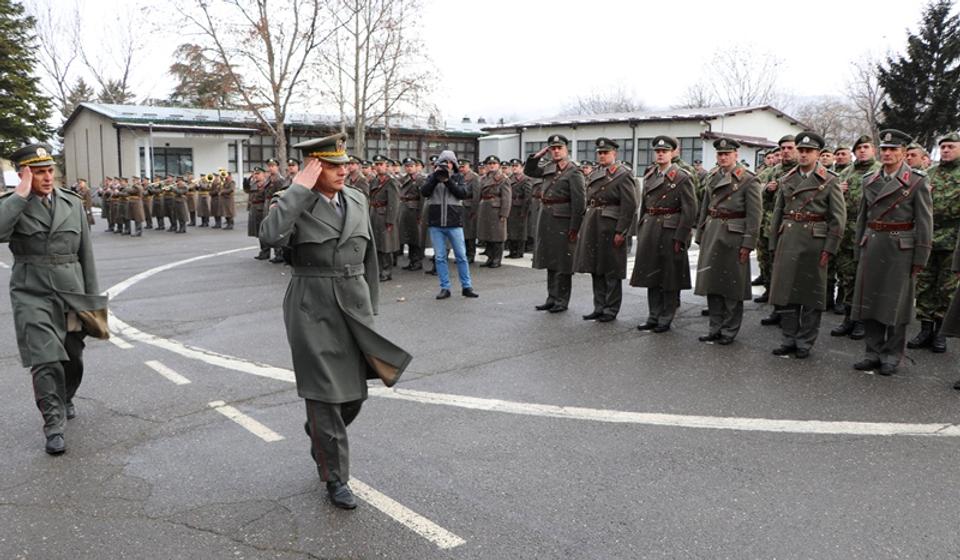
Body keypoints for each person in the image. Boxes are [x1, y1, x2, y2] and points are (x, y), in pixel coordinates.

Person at [259, 133, 412, 510]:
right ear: (315, 167)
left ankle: (319, 431)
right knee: (326, 396)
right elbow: (270, 236)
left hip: (354, 304)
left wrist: (371, 310)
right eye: (333, 164)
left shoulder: (357, 198)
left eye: (345, 163)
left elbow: (370, 259)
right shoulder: (292, 201)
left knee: (354, 395)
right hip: (313, 305)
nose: (344, 169)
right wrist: (297, 189)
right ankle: (335, 478)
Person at [0, 143, 109, 455]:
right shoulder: (13, 204)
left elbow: (86, 255)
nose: (47, 177)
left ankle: (66, 397)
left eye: (49, 170)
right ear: (24, 174)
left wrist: (92, 303)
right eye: (37, 172)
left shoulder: (72, 203)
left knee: (72, 357)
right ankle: (53, 424)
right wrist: (20, 193)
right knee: (46, 359)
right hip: (31, 293)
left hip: (71, 293)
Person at [851, 129, 933, 376]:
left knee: (896, 305)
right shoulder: (868, 179)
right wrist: (858, 247)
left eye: (893, 149)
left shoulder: (917, 181)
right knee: (870, 301)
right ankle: (872, 352)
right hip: (873, 244)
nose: (887, 153)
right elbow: (862, 218)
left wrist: (920, 257)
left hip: (900, 249)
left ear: (904, 153)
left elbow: (925, 222)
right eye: (884, 149)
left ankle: (891, 355)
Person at [766, 132, 846, 358]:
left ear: (818, 154)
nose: (803, 154)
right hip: (789, 238)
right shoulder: (787, 179)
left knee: (811, 294)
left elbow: (837, 218)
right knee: (787, 292)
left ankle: (805, 341)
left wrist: (830, 248)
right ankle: (789, 337)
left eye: (808, 151)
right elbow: (778, 213)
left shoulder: (829, 180)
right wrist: (774, 242)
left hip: (815, 241)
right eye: (800, 150)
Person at [694, 138, 762, 345]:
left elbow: (754, 215)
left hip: (733, 236)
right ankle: (715, 327)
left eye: (727, 154)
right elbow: (705, 208)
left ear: (736, 155)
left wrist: (748, 243)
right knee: (712, 284)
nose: (723, 157)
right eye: (720, 154)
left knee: (732, 286)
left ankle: (729, 330)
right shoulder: (713, 176)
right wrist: (700, 235)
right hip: (713, 232)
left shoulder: (748, 180)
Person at [630, 136, 698, 333]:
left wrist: (681, 237)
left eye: (665, 151)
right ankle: (653, 315)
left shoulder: (682, 177)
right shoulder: (650, 175)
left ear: (672, 153)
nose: (660, 154)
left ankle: (666, 317)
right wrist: (641, 227)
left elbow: (689, 210)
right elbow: (645, 205)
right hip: (651, 228)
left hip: (670, 230)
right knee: (651, 274)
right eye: (658, 151)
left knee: (669, 276)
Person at [574, 138, 639, 322]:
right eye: (600, 153)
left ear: (614, 154)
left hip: (610, 224)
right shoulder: (596, 172)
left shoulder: (623, 174)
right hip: (594, 221)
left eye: (606, 153)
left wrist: (621, 231)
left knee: (611, 269)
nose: (602, 156)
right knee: (596, 267)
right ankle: (599, 306)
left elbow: (629, 205)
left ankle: (611, 309)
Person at [907, 132, 960, 353]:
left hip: (953, 241)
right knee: (925, 286)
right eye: (943, 147)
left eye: (951, 146)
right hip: (927, 237)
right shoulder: (928, 175)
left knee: (946, 289)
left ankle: (940, 333)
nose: (946, 150)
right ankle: (925, 329)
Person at [524, 135, 586, 313]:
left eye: (559, 148)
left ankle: (562, 300)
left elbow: (579, 202)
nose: (556, 151)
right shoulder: (548, 167)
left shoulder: (573, 171)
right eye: (553, 148)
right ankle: (551, 297)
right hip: (547, 218)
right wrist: (537, 156)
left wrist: (575, 227)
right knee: (550, 260)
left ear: (566, 149)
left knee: (563, 262)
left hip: (563, 220)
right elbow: (529, 171)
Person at [830, 135, 881, 340]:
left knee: (866, 278)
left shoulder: (879, 171)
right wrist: (838, 192)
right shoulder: (846, 172)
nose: (862, 151)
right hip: (847, 231)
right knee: (847, 277)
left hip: (870, 231)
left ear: (873, 150)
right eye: (858, 148)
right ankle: (849, 318)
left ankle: (862, 320)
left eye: (866, 147)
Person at [421, 150, 479, 299]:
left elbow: (462, 193)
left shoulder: (459, 177)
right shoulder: (431, 177)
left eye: (449, 162)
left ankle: (467, 286)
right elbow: (425, 192)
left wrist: (448, 181)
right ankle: (445, 287)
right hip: (436, 223)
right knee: (440, 257)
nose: (446, 165)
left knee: (461, 256)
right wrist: (435, 177)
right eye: (443, 162)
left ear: (453, 164)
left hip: (454, 222)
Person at [476, 155, 512, 268]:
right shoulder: (483, 178)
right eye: (489, 164)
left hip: (496, 209)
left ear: (499, 165)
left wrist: (504, 214)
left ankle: (497, 259)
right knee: (487, 235)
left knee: (497, 236)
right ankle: (490, 258)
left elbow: (506, 198)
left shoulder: (503, 179)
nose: (492, 166)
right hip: (485, 208)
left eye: (494, 164)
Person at [370, 155, 401, 281]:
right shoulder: (375, 181)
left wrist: (390, 221)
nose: (378, 167)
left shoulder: (391, 181)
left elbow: (394, 203)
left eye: (381, 164)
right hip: (374, 214)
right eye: (376, 164)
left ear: (386, 166)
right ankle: (379, 269)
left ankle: (386, 271)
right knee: (377, 245)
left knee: (386, 246)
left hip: (385, 216)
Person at [397, 157, 424, 271]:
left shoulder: (420, 179)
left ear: (415, 166)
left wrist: (421, 214)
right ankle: (412, 260)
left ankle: (417, 261)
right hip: (405, 210)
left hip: (415, 210)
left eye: (411, 166)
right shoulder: (404, 178)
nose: (409, 168)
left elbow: (423, 198)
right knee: (407, 237)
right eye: (407, 166)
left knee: (415, 237)